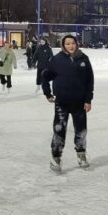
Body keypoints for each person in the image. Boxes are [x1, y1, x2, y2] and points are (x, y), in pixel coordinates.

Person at [42, 34, 94, 171]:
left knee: (81, 131)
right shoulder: (57, 60)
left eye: (73, 43)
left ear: (76, 44)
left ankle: (81, 155)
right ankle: (56, 157)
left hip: (80, 102)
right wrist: (47, 93)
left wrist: (88, 100)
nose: (71, 46)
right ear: (63, 45)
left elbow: (90, 81)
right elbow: (45, 76)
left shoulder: (83, 59)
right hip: (62, 102)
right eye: (67, 44)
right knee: (59, 131)